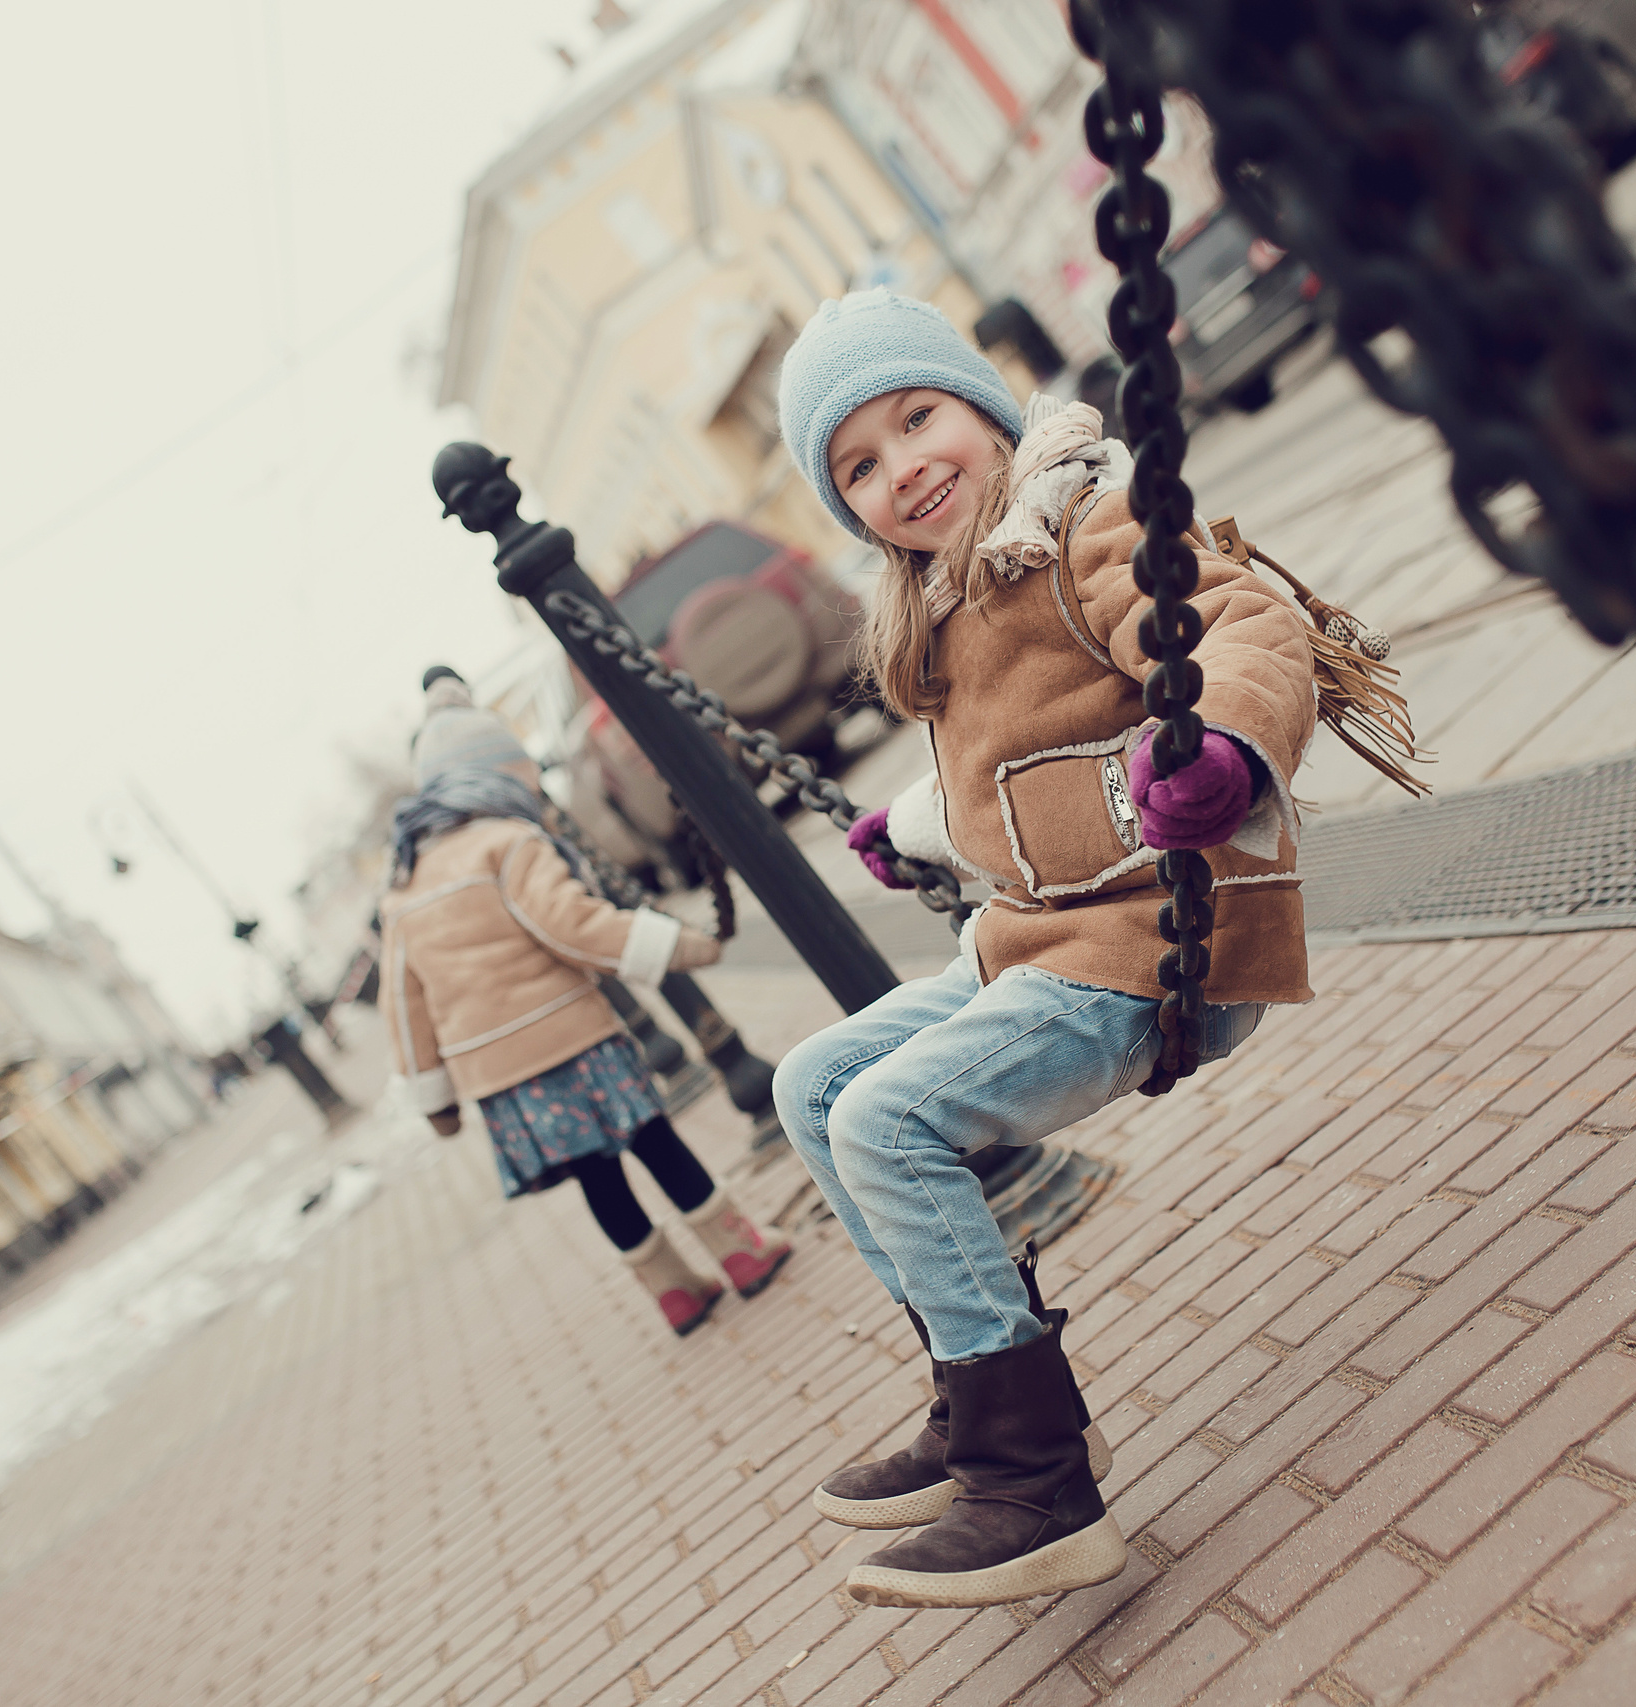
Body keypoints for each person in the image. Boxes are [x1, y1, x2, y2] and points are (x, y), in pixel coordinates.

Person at [770, 291, 1317, 1608]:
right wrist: (912, 823)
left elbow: (1247, 628)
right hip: (1038, 934)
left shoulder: (1084, 519)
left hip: (1152, 932)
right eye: (858, 463)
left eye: (917, 415)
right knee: (816, 1085)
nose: (901, 463)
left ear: (982, 404)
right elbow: (1021, 763)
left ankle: (1040, 1481)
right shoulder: (937, 605)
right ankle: (989, 1393)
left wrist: (1223, 746)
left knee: (887, 1120)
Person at [383, 670, 793, 1334]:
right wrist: (679, 945)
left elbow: (403, 1005)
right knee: (656, 1143)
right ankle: (742, 1252)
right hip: (571, 1042)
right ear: (498, 778)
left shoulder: (401, 887)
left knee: (597, 1177)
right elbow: (570, 925)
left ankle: (675, 1293)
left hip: (500, 1079)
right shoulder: (508, 843)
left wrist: (436, 1101)